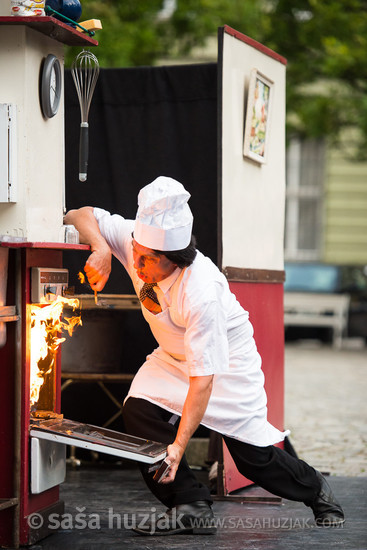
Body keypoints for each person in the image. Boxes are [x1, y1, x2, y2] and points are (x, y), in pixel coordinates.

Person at [64, 176, 344, 536]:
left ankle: (316, 489)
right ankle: (190, 504)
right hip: (172, 356)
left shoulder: (201, 292)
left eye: (147, 260)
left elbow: (204, 379)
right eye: (134, 252)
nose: (137, 264)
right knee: (139, 409)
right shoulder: (137, 240)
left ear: (175, 260)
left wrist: (179, 445)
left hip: (225, 365)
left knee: (253, 459)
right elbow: (79, 214)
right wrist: (102, 248)